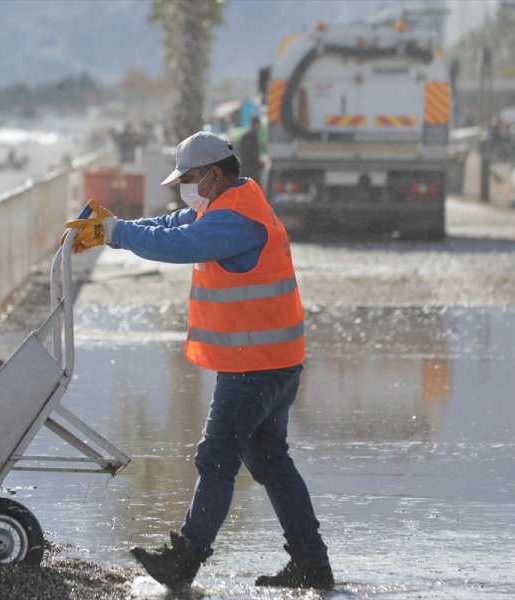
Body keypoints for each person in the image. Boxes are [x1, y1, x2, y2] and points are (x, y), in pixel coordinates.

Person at [64, 131, 333, 590]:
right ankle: (311, 561)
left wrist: (114, 233)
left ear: (213, 173)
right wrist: (118, 228)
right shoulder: (232, 203)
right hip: (273, 360)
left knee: (216, 458)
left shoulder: (235, 222)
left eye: (188, 178)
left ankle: (185, 559)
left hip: (255, 365)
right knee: (269, 462)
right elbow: (172, 227)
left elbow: (181, 246)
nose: (184, 187)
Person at [238, 116, 262, 183]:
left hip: (247, 168)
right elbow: (250, 154)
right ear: (255, 124)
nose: (260, 127)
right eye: (259, 124)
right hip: (250, 169)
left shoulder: (248, 136)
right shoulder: (250, 137)